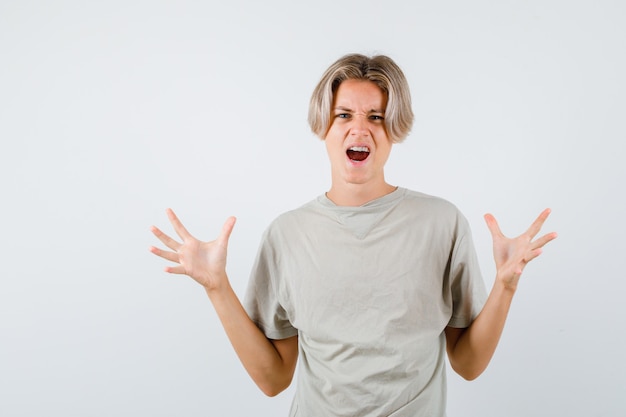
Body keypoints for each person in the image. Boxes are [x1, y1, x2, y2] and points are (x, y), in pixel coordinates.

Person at [149, 53, 557, 416]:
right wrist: (217, 287)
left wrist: (505, 286)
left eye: (375, 117)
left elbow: (468, 364)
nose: (359, 128)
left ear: (393, 129)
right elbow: (273, 379)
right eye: (344, 115)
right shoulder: (286, 235)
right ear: (323, 127)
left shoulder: (442, 223)